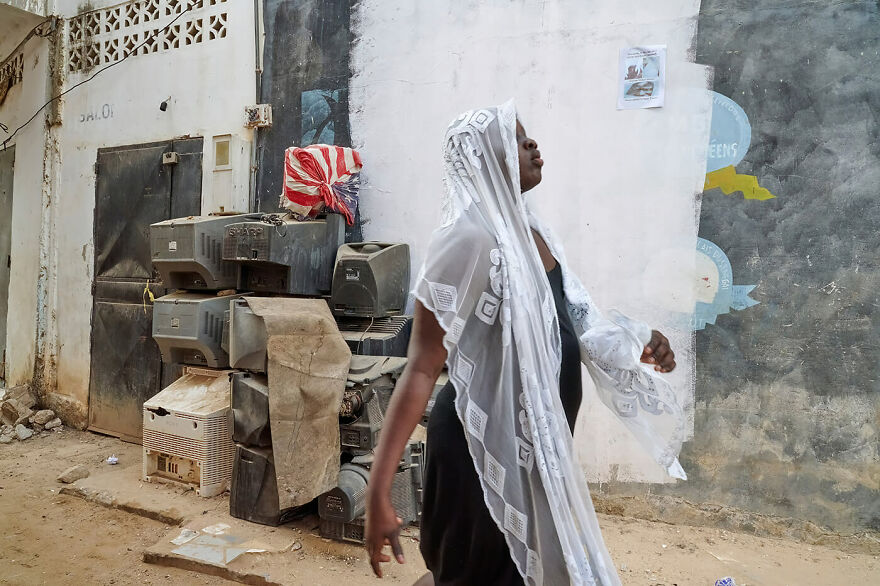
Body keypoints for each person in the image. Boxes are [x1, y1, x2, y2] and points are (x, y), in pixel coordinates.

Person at [366, 101, 686, 585]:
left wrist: (638, 341)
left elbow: (572, 321)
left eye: (527, 135)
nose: (532, 143)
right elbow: (422, 366)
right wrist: (377, 493)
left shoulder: (534, 232)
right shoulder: (467, 239)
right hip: (481, 450)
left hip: (540, 445)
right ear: (483, 156)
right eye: (516, 139)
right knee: (476, 572)